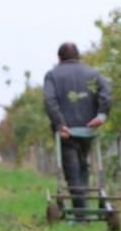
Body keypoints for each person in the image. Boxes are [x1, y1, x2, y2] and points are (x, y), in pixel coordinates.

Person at [43, 42, 112, 214]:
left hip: (66, 131)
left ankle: (81, 212)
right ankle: (83, 207)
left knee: (72, 168)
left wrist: (59, 124)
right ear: (78, 56)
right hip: (88, 128)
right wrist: (101, 115)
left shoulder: (53, 75)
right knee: (82, 165)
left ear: (59, 58)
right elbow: (106, 93)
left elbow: (50, 101)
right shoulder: (92, 74)